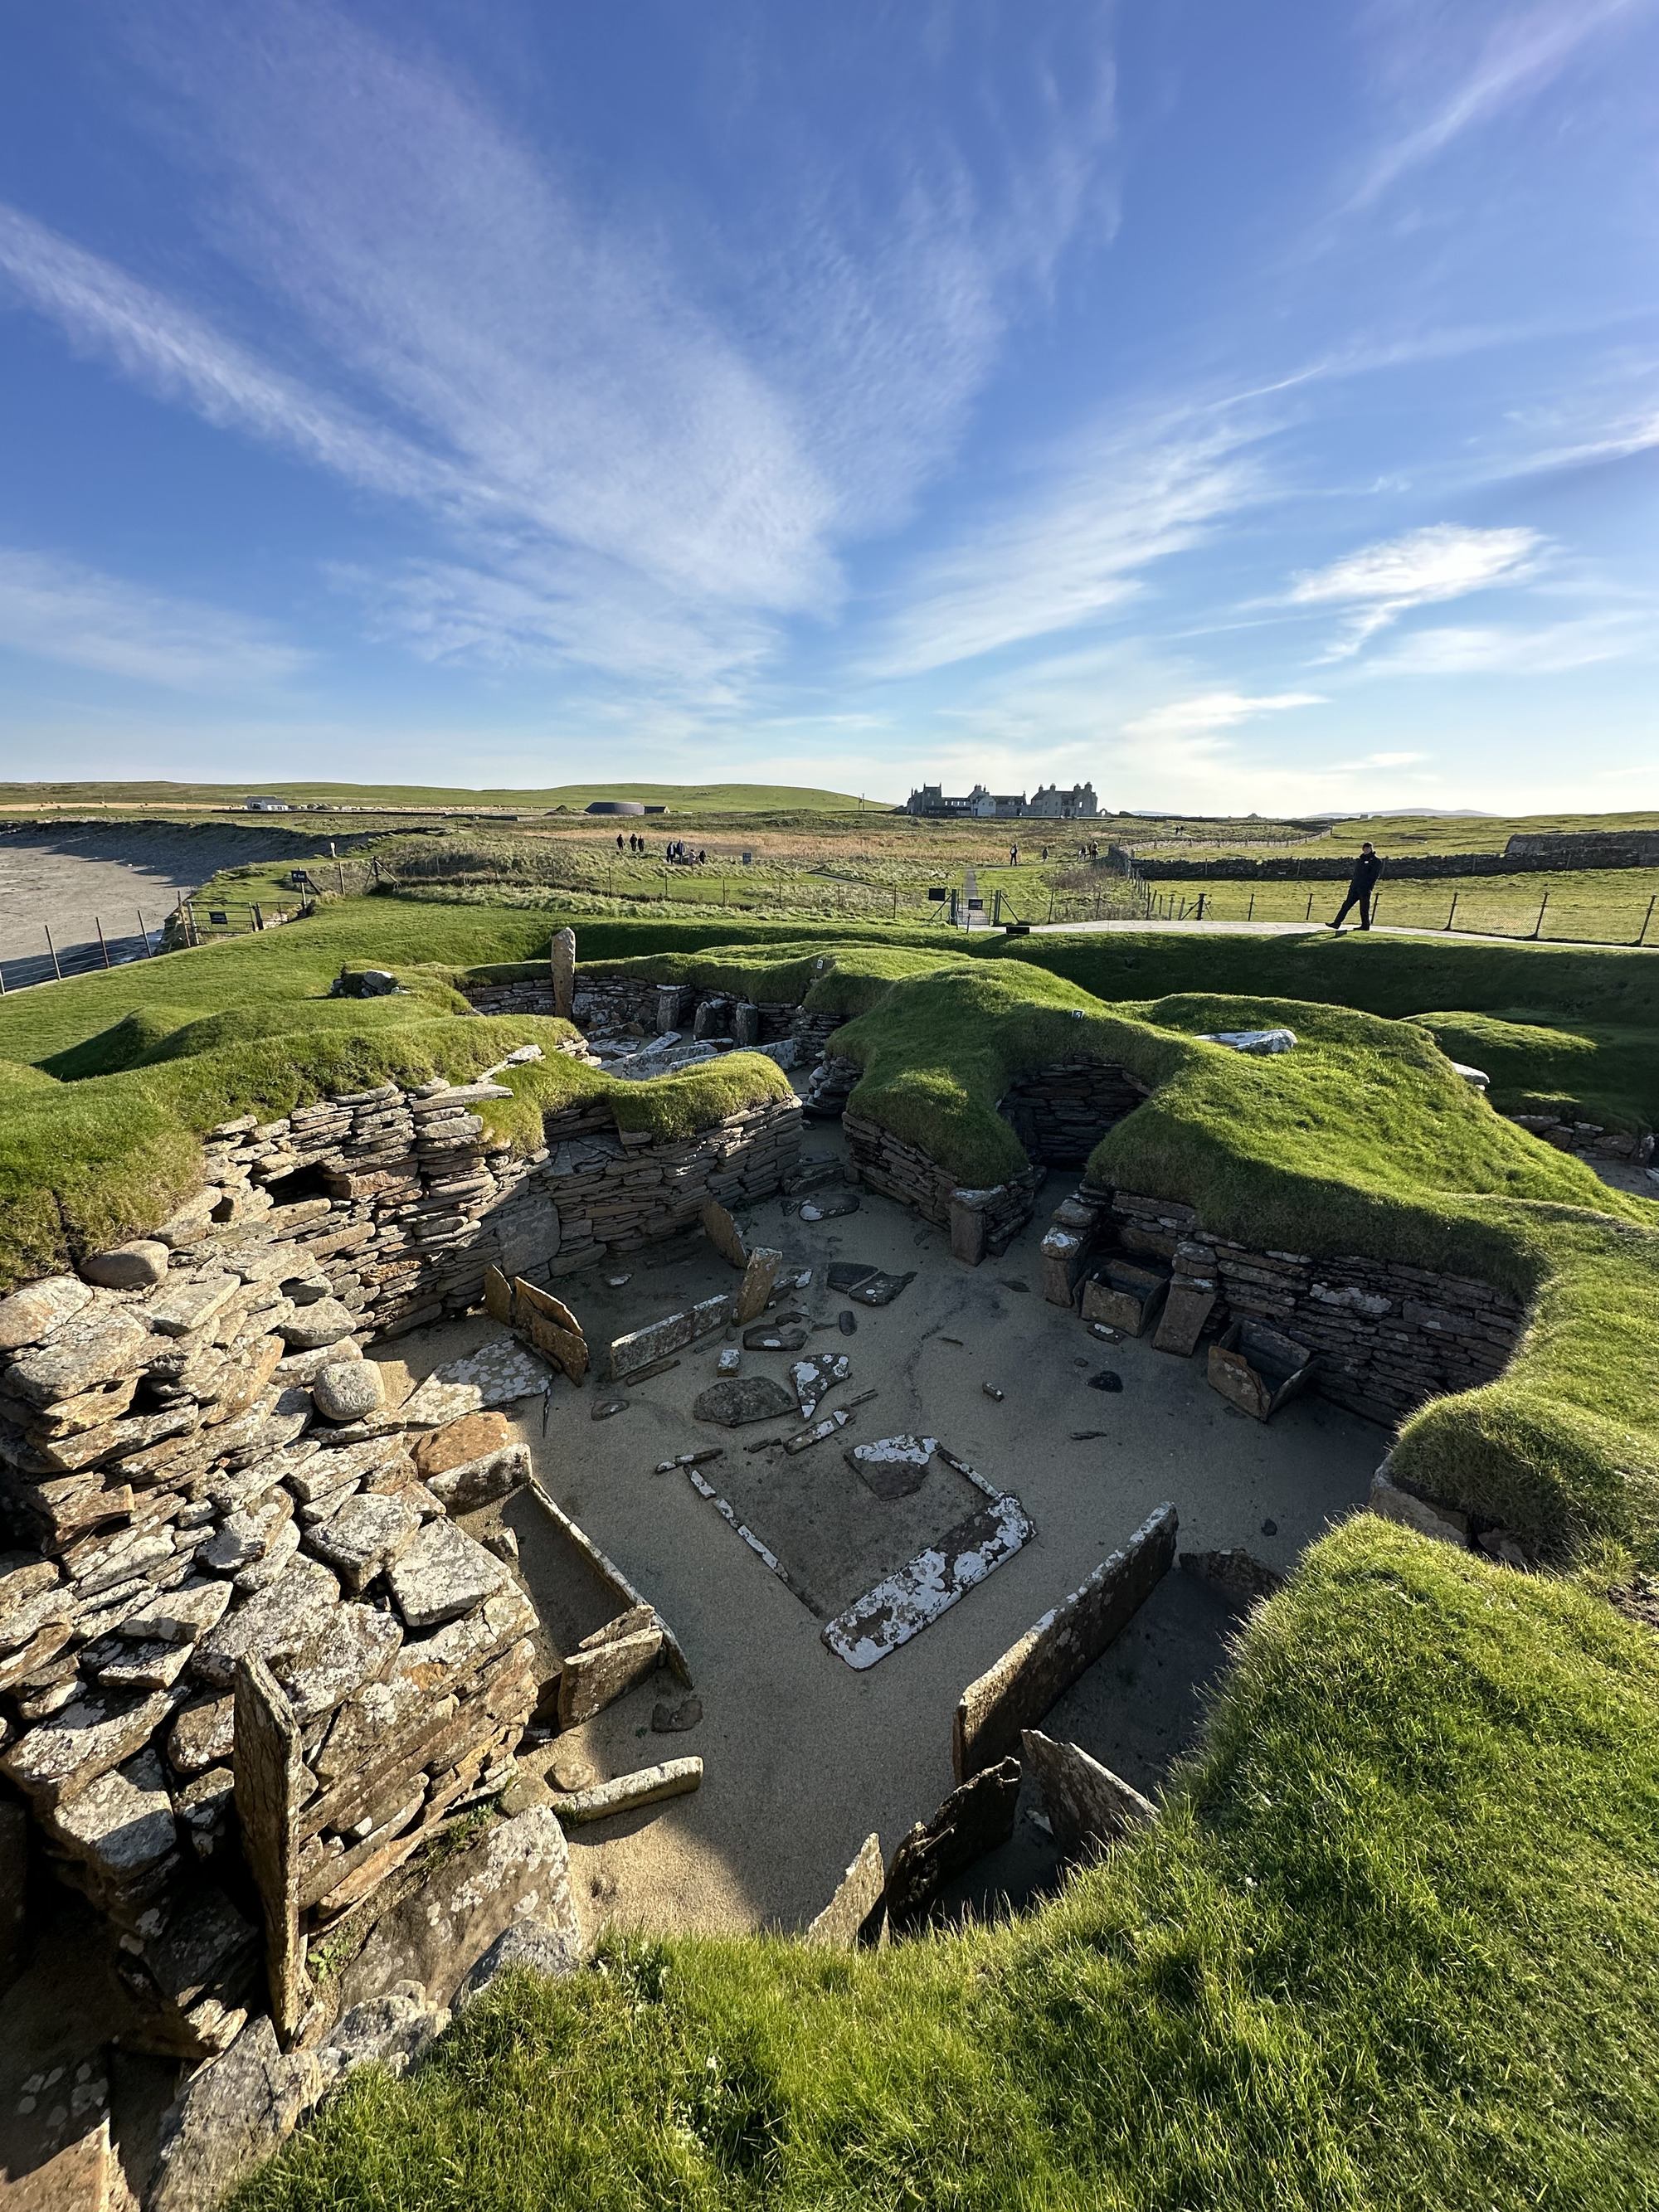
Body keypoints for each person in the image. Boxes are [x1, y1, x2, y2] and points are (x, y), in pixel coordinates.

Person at [1331, 841, 1383, 930]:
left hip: (1365, 889)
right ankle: (1336, 923)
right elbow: (1356, 874)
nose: (1366, 850)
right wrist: (1352, 885)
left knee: (1364, 908)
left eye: (1368, 848)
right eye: (1365, 848)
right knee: (1346, 906)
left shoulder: (1376, 861)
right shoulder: (1360, 860)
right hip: (1355, 888)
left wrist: (1367, 886)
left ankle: (1365, 926)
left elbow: (1374, 876)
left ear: (1371, 849)